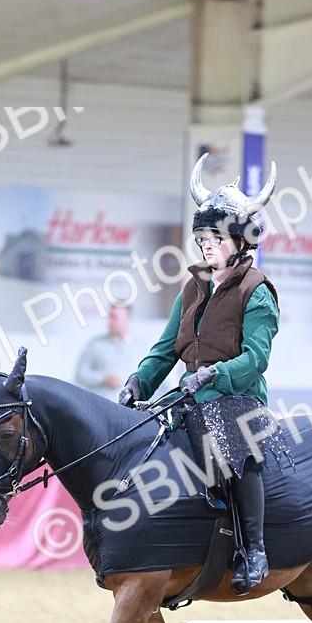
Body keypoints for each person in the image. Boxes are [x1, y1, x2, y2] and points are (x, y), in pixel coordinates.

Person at [120, 152, 283, 595]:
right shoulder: (192, 288)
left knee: (235, 443)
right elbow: (164, 350)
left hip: (238, 398)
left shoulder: (258, 292)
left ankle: (255, 549)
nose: (206, 245)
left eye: (216, 237)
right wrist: (139, 381)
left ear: (240, 240)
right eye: (202, 237)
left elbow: (255, 359)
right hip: (188, 397)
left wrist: (211, 376)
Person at [74, 301, 139, 400]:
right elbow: (80, 374)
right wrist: (104, 379)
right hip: (102, 405)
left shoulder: (142, 345)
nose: (110, 322)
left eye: (114, 317)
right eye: (109, 317)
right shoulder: (95, 344)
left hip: (133, 409)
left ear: (128, 319)